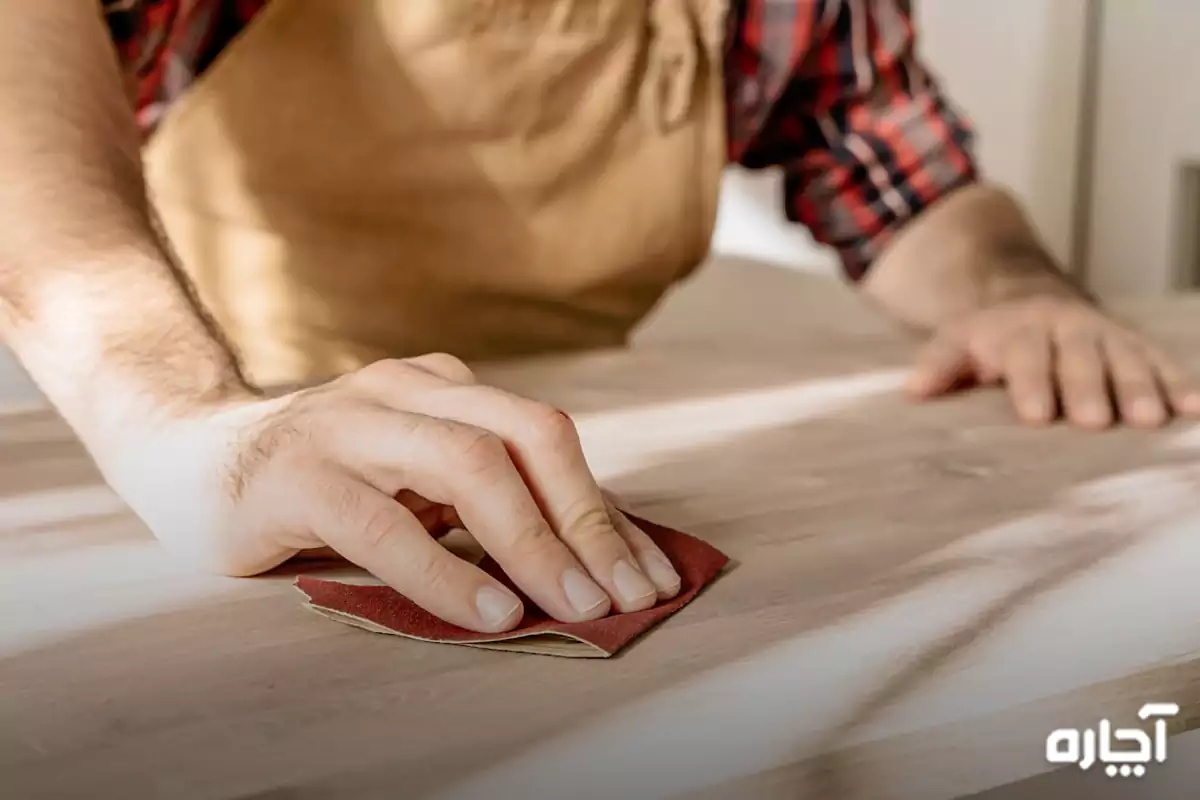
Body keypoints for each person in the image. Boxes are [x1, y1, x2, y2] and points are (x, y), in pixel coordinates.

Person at [2, 1, 1195, 634]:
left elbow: (889, 158)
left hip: (591, 430)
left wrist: (1016, 290)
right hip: (225, 432)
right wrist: (189, 420)